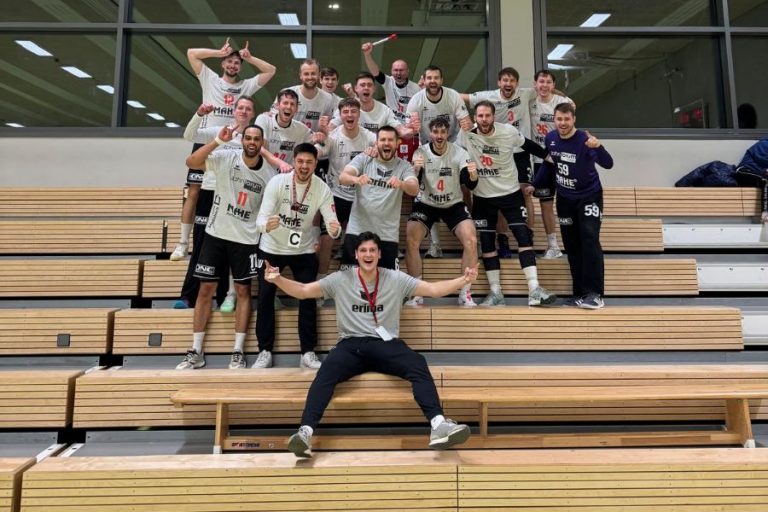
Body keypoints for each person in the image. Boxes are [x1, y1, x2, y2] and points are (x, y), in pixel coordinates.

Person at [263, 231, 475, 458]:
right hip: (350, 344)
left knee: (417, 363)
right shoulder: (340, 279)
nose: (368, 254)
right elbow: (304, 291)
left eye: (372, 250)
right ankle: (305, 433)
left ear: (379, 254)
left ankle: (439, 425)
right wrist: (278, 279)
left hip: (385, 344)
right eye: (363, 250)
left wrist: (463, 280)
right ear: (356, 254)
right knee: (326, 372)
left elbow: (433, 290)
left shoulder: (395, 278)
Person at [176, 123, 278, 370]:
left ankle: (238, 352)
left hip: (246, 240)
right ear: (242, 141)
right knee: (205, 290)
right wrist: (217, 141)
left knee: (243, 292)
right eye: (248, 138)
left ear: (262, 143)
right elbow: (192, 161)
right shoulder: (225, 157)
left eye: (256, 139)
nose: (251, 142)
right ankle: (196, 351)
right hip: (215, 235)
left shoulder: (269, 175)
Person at [171, 38, 276, 263]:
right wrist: (219, 52)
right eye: (229, 61)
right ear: (223, 64)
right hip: (210, 139)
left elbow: (270, 70)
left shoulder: (245, 86)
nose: (232, 65)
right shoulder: (210, 78)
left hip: (235, 144)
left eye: (236, 63)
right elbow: (191, 52)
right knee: (194, 192)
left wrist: (250, 58)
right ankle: (182, 243)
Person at [457, 100, 556, 307]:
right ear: (475, 117)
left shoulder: (508, 131)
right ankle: (496, 293)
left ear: (494, 116)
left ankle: (534, 289)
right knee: (487, 245)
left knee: (523, 237)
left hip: (511, 194)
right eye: (480, 116)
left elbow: (528, 145)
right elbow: (455, 156)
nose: (484, 119)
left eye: (488, 115)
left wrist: (548, 157)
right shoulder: (466, 134)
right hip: (482, 197)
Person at [252, 144, 341, 369]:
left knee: (308, 297)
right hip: (272, 248)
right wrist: (266, 225)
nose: (304, 166)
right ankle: (264, 351)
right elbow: (260, 220)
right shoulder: (277, 182)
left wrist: (334, 230)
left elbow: (333, 224)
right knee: (265, 297)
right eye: (300, 161)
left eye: (309, 162)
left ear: (315, 164)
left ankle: (308, 352)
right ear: (294, 162)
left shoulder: (322, 188)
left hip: (303, 250)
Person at [526, 103, 613, 309]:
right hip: (565, 199)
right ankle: (579, 294)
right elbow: (549, 163)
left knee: (589, 239)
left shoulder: (585, 140)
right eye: (559, 119)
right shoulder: (551, 138)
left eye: (567, 119)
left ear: (574, 119)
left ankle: (595, 294)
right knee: (572, 245)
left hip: (589, 197)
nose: (563, 123)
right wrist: (535, 184)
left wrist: (598, 147)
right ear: (554, 120)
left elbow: (608, 164)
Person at [176, 97, 258, 313]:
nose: (243, 111)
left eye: (248, 109)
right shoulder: (218, 131)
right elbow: (189, 136)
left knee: (227, 248)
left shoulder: (252, 139)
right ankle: (188, 296)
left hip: (233, 197)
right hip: (209, 192)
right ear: (234, 110)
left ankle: (224, 297)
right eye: (240, 108)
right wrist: (199, 115)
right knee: (201, 246)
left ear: (252, 114)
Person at [461, 67, 538, 258]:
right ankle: (501, 237)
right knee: (497, 191)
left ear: (517, 83)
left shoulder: (525, 93)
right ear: (499, 83)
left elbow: (547, 89)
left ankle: (528, 235)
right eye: (505, 80)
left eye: (512, 80)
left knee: (524, 192)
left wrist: (566, 98)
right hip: (497, 150)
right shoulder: (489, 97)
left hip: (518, 150)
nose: (508, 83)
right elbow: (461, 97)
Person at [405, 118, 479, 307]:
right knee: (411, 239)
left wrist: (473, 175)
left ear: (448, 134)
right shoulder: (420, 152)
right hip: (426, 203)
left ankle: (465, 293)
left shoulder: (459, 152)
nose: (439, 136)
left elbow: (470, 184)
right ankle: (416, 293)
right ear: (430, 134)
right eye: (435, 132)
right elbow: (413, 184)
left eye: (443, 132)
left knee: (471, 240)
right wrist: (416, 169)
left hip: (453, 203)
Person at [406, 65, 471, 258]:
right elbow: (409, 130)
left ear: (441, 80)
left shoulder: (453, 96)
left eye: (436, 78)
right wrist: (413, 127)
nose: (433, 81)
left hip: (453, 146)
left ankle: (469, 230)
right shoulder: (416, 100)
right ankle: (435, 245)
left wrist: (466, 126)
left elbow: (466, 124)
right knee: (428, 189)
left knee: (466, 186)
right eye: (429, 78)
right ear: (424, 80)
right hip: (428, 148)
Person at [315, 98, 376, 291]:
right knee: (327, 238)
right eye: (346, 112)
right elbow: (317, 153)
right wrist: (319, 138)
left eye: (353, 111)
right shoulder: (333, 136)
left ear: (359, 114)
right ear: (340, 115)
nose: (350, 115)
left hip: (361, 197)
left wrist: (376, 152)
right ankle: (321, 282)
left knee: (358, 240)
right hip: (336, 195)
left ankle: (355, 285)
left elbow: (387, 153)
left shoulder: (370, 137)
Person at [339, 126, 419, 270]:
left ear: (398, 143)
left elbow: (414, 189)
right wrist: (356, 179)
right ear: (376, 143)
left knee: (387, 282)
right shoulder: (364, 159)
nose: (386, 143)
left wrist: (402, 183)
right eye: (382, 140)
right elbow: (343, 177)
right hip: (357, 232)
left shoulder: (404, 166)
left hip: (387, 235)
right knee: (349, 281)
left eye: (390, 140)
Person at [530, 70, 574, 259]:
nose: (544, 85)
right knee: (546, 203)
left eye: (548, 82)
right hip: (541, 160)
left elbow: (572, 114)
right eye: (541, 81)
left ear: (553, 85)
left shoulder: (562, 102)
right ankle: (553, 246)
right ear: (535, 84)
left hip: (562, 159)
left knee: (567, 202)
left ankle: (572, 243)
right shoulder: (529, 102)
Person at [361, 42, 421, 123]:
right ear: (391, 71)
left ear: (407, 71)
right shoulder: (388, 82)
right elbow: (375, 72)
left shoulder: (416, 88)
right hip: (392, 124)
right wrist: (367, 54)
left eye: (401, 70)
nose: (398, 73)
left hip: (409, 125)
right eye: (395, 70)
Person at [271, 58, 336, 133]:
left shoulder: (328, 98)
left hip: (312, 139)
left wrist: (323, 129)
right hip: (287, 138)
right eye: (306, 74)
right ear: (300, 76)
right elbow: (272, 119)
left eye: (313, 74)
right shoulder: (285, 93)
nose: (310, 77)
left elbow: (327, 127)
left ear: (319, 75)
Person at [256, 89, 315, 168]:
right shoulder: (264, 119)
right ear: (277, 105)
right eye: (285, 103)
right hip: (263, 171)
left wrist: (322, 133)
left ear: (297, 108)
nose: (289, 107)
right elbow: (259, 147)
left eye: (292, 104)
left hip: (286, 173)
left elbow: (321, 141)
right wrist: (281, 163)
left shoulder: (302, 129)